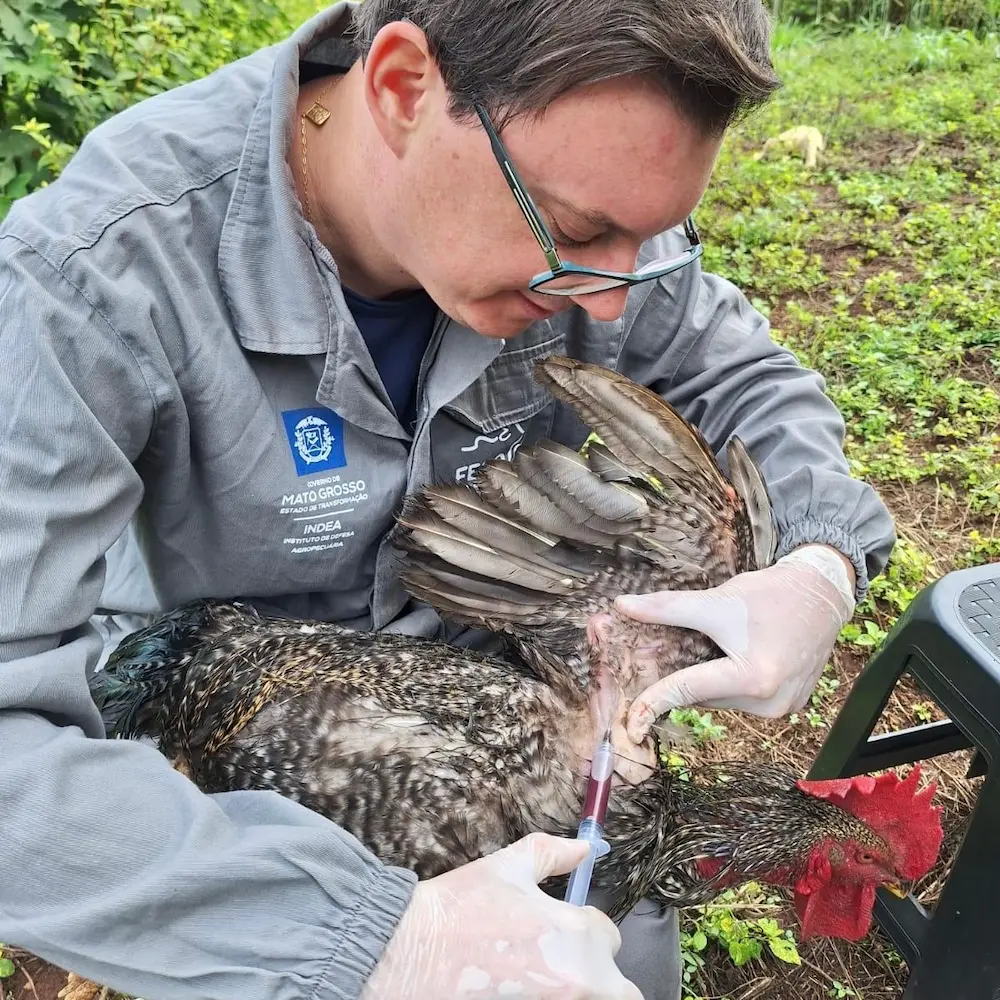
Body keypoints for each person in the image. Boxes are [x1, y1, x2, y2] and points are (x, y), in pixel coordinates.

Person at [0, 0, 896, 998]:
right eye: (578, 229)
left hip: (507, 731)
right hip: (240, 773)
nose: (609, 300)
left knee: (619, 964)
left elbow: (747, 379)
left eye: (645, 242)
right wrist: (376, 938)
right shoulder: (90, 276)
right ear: (399, 89)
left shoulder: (584, 200)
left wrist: (817, 562)